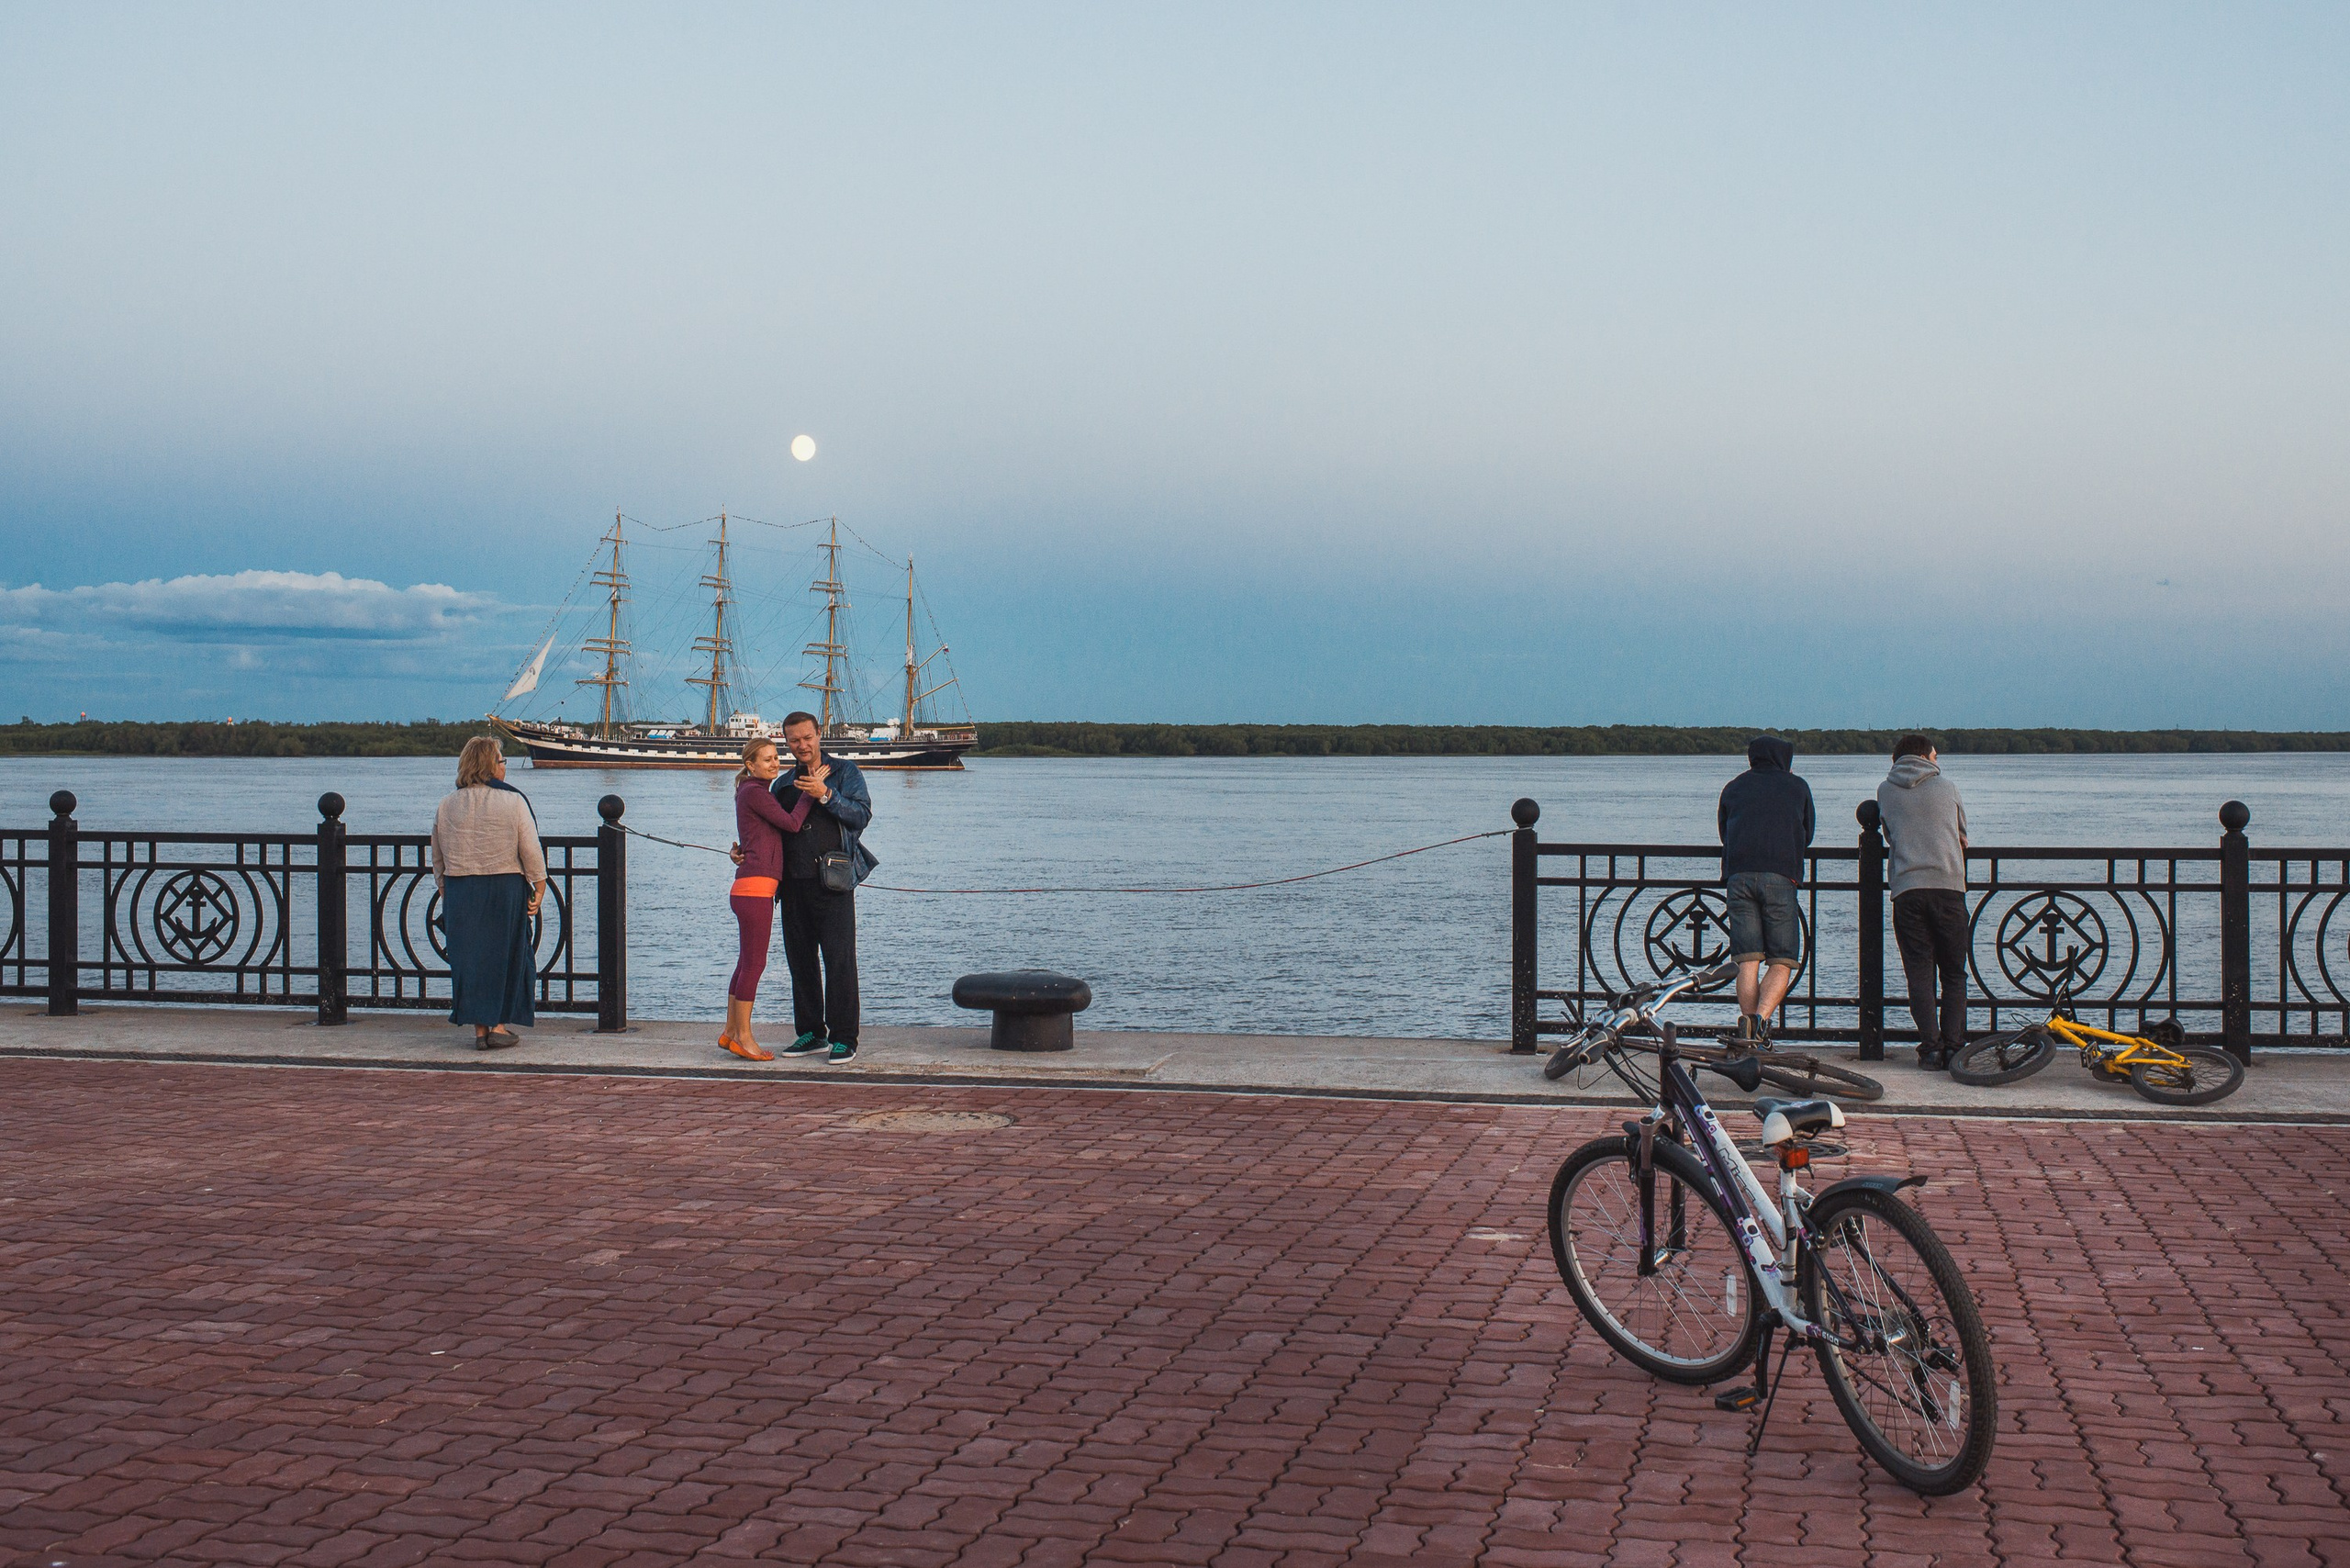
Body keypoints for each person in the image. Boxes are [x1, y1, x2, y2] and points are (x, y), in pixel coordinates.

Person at [771, 711, 875, 1062]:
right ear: (787, 742)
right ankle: (812, 1033)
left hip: (834, 882)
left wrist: (826, 794)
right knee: (800, 962)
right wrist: (744, 853)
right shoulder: (782, 784)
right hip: (792, 884)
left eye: (807, 737)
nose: (802, 745)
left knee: (839, 961)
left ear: (819, 734)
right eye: (794, 740)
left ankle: (845, 1038)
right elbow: (772, 832)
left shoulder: (846, 772)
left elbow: (861, 816)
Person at [431, 735, 545, 1050]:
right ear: (491, 765)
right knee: (506, 957)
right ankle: (497, 1026)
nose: (504, 765)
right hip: (503, 888)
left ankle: (480, 1030)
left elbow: (437, 855)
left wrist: (445, 889)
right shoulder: (513, 802)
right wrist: (540, 884)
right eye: (502, 760)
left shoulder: (447, 804)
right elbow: (530, 849)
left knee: (471, 961)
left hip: (460, 889)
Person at [1876, 734, 1971, 1070]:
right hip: (1948, 887)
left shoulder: (1885, 791)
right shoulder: (1947, 787)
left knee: (1919, 973)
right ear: (1925, 756)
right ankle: (1956, 1048)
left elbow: (1888, 833)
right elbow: (1962, 832)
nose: (1938, 760)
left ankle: (1930, 1049)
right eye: (1935, 755)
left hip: (1907, 891)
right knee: (1954, 974)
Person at [720, 735, 812, 1061]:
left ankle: (731, 1031)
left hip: (750, 887)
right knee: (755, 964)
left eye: (777, 757)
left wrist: (739, 851)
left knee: (746, 962)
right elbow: (791, 823)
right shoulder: (755, 792)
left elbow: (757, 835)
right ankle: (744, 1038)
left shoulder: (752, 792)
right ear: (750, 765)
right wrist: (810, 793)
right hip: (755, 889)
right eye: (768, 759)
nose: (775, 763)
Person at [1718, 734, 1815, 1045]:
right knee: (1782, 959)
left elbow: (1724, 832)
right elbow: (1808, 831)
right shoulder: (1797, 787)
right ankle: (1760, 1024)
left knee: (1747, 959)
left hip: (1738, 877)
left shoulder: (1733, 787)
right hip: (1781, 877)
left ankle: (1748, 1033)